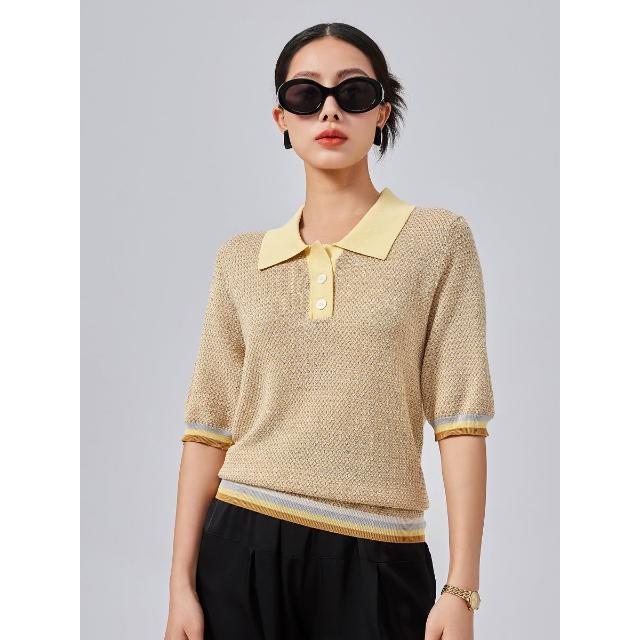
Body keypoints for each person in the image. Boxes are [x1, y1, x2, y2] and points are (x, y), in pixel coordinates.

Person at [165, 22, 495, 640]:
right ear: (281, 119)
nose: (330, 110)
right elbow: (207, 427)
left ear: (382, 112)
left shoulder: (438, 241)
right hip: (241, 544)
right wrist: (180, 585)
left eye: (353, 92)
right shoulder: (241, 260)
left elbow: (461, 418)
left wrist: (462, 589)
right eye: (306, 94)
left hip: (380, 555)